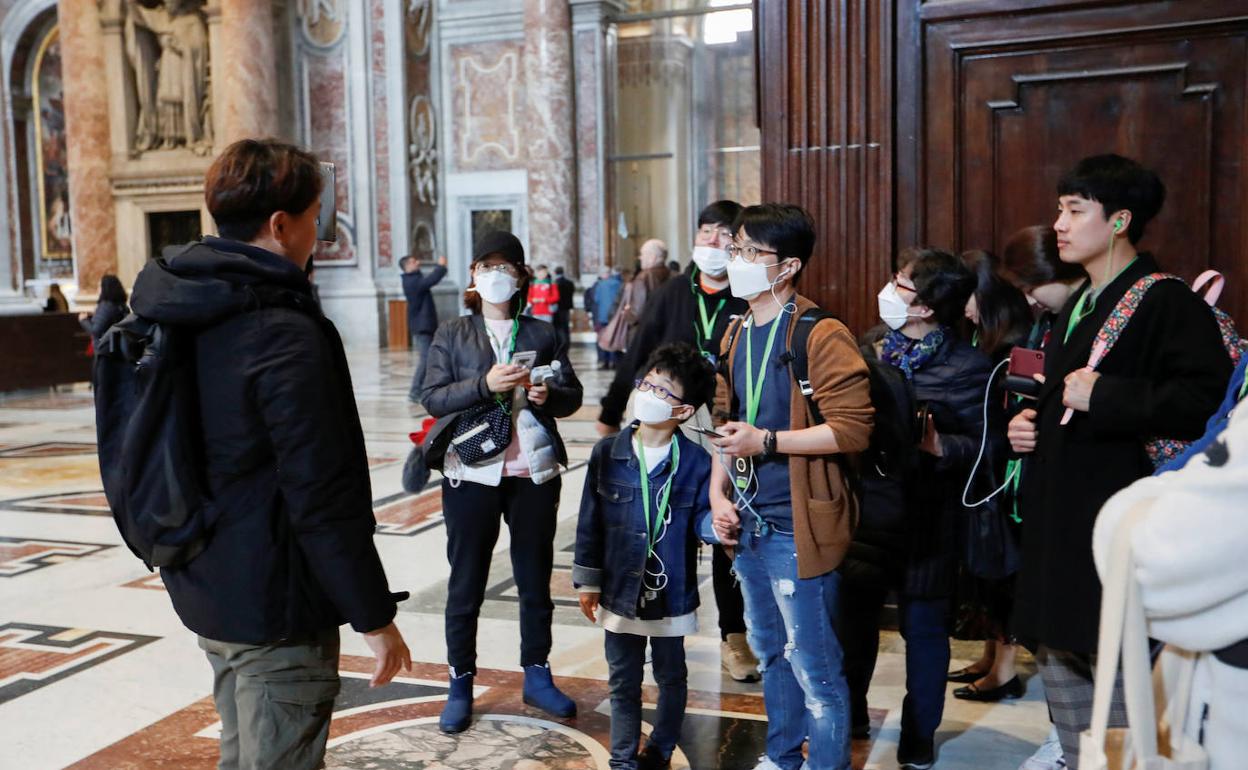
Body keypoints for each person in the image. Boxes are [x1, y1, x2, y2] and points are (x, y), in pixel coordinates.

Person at [122, 138, 411, 769]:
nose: (319, 233)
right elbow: (322, 495)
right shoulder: (283, 333)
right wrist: (372, 615)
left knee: (243, 753)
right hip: (274, 602)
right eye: (313, 218)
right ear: (280, 226)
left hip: (207, 584)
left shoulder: (178, 304)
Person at [1009, 154, 1231, 769]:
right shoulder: (1082, 298)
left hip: (1117, 527)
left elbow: (1205, 401)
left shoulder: (1163, 300)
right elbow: (1065, 399)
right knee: (1063, 673)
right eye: (1060, 208)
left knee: (1123, 688)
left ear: (1119, 221)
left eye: (1075, 210)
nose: (1059, 222)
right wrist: (1029, 428)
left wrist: (1104, 395)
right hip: (1063, 527)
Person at [709, 203, 873, 770]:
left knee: (816, 668)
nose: (739, 261)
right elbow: (724, 421)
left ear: (787, 267)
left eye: (753, 253)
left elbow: (853, 430)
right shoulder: (735, 331)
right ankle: (781, 757)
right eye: (736, 250)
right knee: (771, 655)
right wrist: (717, 495)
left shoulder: (820, 333)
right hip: (748, 522)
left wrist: (769, 443)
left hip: (798, 523)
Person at [841, 249, 1004, 770]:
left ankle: (918, 737)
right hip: (868, 508)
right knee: (854, 624)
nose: (890, 291)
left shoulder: (970, 366)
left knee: (925, 631)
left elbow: (988, 448)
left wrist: (939, 447)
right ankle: (852, 716)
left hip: (930, 516)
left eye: (902, 285)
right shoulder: (870, 346)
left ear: (929, 307)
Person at [420, 230, 584, 733]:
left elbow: (572, 394)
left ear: (520, 276)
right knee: (466, 581)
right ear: (473, 275)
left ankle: (537, 673)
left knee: (535, 578)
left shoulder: (540, 332)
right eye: (487, 267)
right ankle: (460, 682)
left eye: (506, 267)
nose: (496, 275)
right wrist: (482, 385)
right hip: (470, 470)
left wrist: (547, 397)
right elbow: (432, 397)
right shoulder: (453, 332)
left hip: (531, 470)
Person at [597, 201, 760, 682]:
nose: (710, 241)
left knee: (725, 522)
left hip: (731, 419)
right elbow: (640, 350)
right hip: (674, 419)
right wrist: (610, 410)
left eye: (721, 234)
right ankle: (665, 622)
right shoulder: (672, 291)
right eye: (704, 231)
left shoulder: (749, 292)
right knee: (668, 516)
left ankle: (735, 635)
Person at [574, 342, 718, 770]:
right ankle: (622, 759)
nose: (648, 394)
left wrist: (720, 525)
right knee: (623, 679)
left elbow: (702, 519)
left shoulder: (695, 462)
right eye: (646, 384)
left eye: (663, 391)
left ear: (685, 411)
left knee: (672, 676)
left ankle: (661, 748)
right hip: (619, 590)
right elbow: (589, 522)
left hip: (671, 591)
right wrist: (588, 579)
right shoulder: (608, 454)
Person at [944, 249, 1032, 705]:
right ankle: (988, 656)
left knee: (1004, 575)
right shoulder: (983, 339)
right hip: (985, 477)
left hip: (1006, 479)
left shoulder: (1014, 344)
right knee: (988, 577)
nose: (961, 304)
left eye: (968, 294)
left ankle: (1005, 670)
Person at [401, 253, 448, 402]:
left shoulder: (414, 278)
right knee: (425, 358)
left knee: (430, 357)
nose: (418, 262)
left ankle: (426, 388)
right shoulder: (411, 281)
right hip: (422, 327)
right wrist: (440, 266)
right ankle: (414, 392)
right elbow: (431, 280)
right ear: (407, 266)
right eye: (414, 261)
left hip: (425, 325)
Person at [78, 275, 129, 347]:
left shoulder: (105, 307)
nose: (98, 289)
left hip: (105, 348)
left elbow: (96, 331)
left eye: (100, 286)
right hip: (117, 346)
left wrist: (83, 320)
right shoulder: (122, 305)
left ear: (106, 288)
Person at [590, 267, 623, 369]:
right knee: (614, 337)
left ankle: (605, 361)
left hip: (603, 315)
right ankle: (615, 361)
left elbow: (596, 299)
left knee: (604, 338)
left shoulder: (600, 285)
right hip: (615, 315)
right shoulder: (618, 283)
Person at [552, 265, 577, 349]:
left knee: (558, 326)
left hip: (557, 307)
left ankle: (560, 343)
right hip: (566, 307)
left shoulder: (555, 283)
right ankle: (567, 343)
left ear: (555, 273)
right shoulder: (570, 283)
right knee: (565, 326)